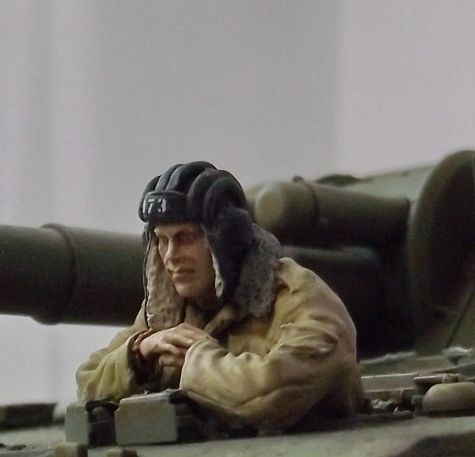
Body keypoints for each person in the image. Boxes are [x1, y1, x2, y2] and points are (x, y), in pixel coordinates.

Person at [76, 161, 361, 433]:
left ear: (224, 240)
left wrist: (195, 357)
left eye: (186, 237)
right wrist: (140, 354)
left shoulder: (299, 298)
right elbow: (89, 382)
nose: (171, 256)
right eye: (162, 240)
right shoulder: (171, 308)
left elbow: (269, 393)